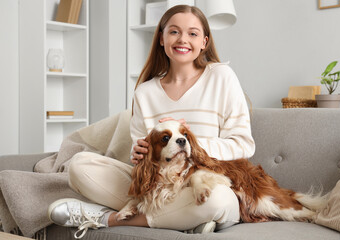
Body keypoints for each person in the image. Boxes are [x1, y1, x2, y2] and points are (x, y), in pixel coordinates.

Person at [48, 4, 255, 239]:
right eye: (174, 31)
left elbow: (243, 145)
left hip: (205, 182)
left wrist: (189, 146)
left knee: (217, 200)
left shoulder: (221, 77)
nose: (182, 39)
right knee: (79, 165)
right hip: (160, 189)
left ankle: (108, 219)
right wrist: (138, 154)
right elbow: (143, 166)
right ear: (161, 38)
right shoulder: (145, 93)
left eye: (193, 33)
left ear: (204, 42)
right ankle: (183, 220)